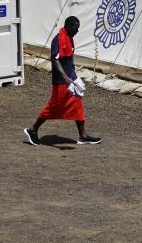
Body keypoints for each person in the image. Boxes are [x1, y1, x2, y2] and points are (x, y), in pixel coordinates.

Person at [24, 16, 101, 146]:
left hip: (71, 79)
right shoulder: (58, 39)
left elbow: (69, 60)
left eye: (78, 28)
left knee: (77, 105)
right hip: (61, 81)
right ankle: (32, 130)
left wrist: (74, 77)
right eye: (75, 28)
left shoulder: (69, 37)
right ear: (68, 26)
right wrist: (65, 77)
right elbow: (55, 59)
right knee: (53, 107)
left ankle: (83, 136)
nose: (77, 30)